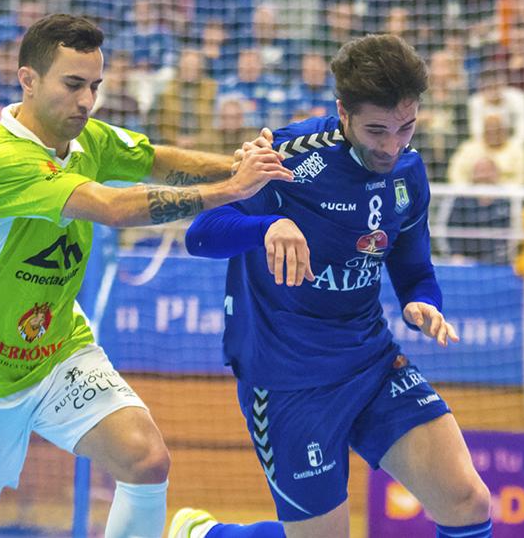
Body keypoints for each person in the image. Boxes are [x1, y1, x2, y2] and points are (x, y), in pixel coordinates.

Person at [0, 14, 292, 538]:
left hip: (57, 351)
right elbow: (113, 207)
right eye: (73, 85)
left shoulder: (87, 139)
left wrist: (245, 163)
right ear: (27, 79)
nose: (86, 101)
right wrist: (232, 190)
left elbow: (156, 160)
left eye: (94, 86)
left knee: (145, 461)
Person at [174, 34, 492, 538]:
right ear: (342, 111)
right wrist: (267, 226)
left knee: (467, 500)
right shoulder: (287, 155)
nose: (392, 145)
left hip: (370, 361)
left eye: (405, 126)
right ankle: (206, 534)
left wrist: (422, 303)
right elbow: (199, 234)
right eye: (376, 130)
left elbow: (415, 269)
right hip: (287, 380)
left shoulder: (409, 170)